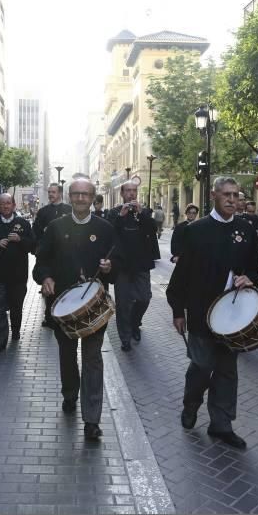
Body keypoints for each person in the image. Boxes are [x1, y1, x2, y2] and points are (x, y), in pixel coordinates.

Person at [166, 177, 258, 449]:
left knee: (227, 370)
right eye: (227, 195)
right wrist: (177, 310)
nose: (233, 199)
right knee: (202, 366)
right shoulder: (196, 230)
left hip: (234, 315)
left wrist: (250, 278)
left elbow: (255, 267)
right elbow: (181, 275)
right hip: (200, 312)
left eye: (236, 195)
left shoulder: (245, 229)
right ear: (214, 196)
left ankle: (221, 424)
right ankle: (191, 404)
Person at [34, 179, 118, 441]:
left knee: (93, 358)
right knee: (67, 355)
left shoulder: (105, 229)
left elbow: (118, 264)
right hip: (63, 307)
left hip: (94, 306)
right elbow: (40, 262)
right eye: (76, 194)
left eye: (86, 194)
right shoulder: (55, 227)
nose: (81, 198)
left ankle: (92, 419)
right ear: (69, 196)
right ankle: (69, 393)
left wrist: (109, 267)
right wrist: (45, 278)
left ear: (93, 197)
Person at [106, 181, 160, 352]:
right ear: (122, 193)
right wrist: (121, 217)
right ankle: (125, 338)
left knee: (144, 298)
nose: (131, 194)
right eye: (128, 191)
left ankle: (135, 323)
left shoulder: (144, 213)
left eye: (134, 191)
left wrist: (141, 213)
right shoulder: (114, 213)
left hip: (141, 264)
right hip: (122, 266)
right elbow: (109, 233)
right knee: (123, 304)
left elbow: (152, 230)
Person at [0, 193, 35, 352]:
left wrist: (21, 240)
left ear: (13, 205)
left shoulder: (23, 224)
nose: (6, 206)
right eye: (3, 203)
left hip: (18, 275)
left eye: (8, 203)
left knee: (16, 307)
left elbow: (33, 246)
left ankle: (16, 330)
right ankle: (0, 341)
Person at [33, 184, 73, 327]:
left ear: (60, 193)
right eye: (49, 192)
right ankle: (49, 316)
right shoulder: (43, 212)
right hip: (48, 255)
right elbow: (35, 231)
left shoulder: (69, 210)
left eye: (53, 192)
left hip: (64, 255)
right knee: (48, 285)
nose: (50, 194)